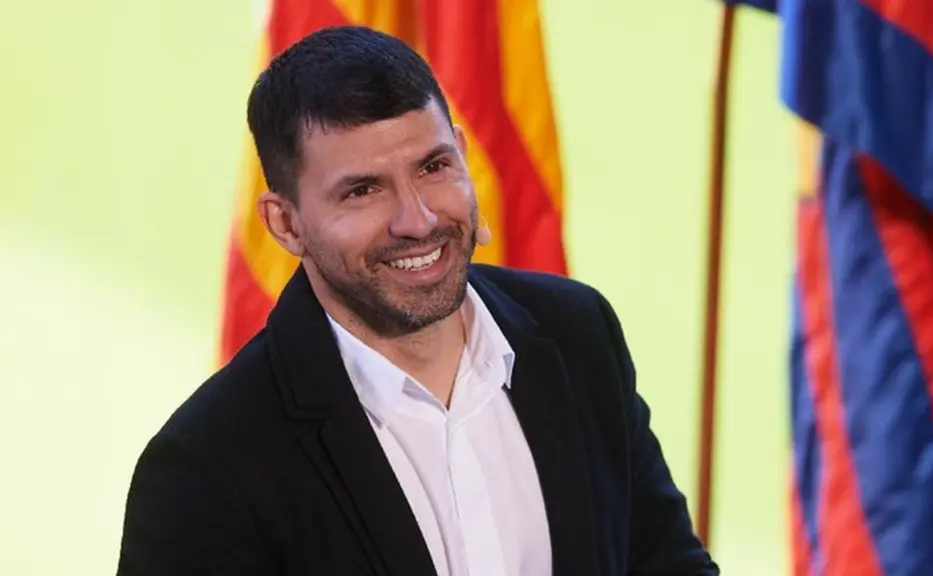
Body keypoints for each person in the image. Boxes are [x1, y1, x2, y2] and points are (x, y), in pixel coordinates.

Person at [116, 25, 718, 576]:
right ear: (286, 223)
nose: (418, 219)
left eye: (433, 167)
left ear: (462, 153)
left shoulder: (579, 333)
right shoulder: (206, 470)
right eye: (362, 190)